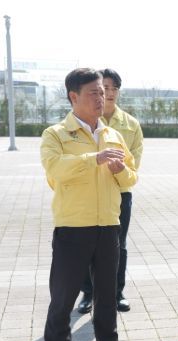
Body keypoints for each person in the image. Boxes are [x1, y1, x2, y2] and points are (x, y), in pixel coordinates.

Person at [41, 68, 142, 341]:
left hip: (109, 224)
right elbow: (55, 170)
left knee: (107, 294)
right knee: (64, 297)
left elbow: (130, 178)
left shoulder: (113, 134)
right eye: (94, 93)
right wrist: (93, 158)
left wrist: (119, 169)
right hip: (73, 227)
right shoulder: (56, 134)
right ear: (74, 97)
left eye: (103, 92)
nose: (102, 98)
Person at [77, 68, 144, 314]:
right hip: (88, 192)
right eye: (105, 88)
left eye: (114, 88)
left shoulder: (130, 125)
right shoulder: (82, 121)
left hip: (120, 192)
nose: (110, 93)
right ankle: (88, 293)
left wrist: (117, 172)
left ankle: (117, 292)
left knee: (118, 244)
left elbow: (133, 163)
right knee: (87, 243)